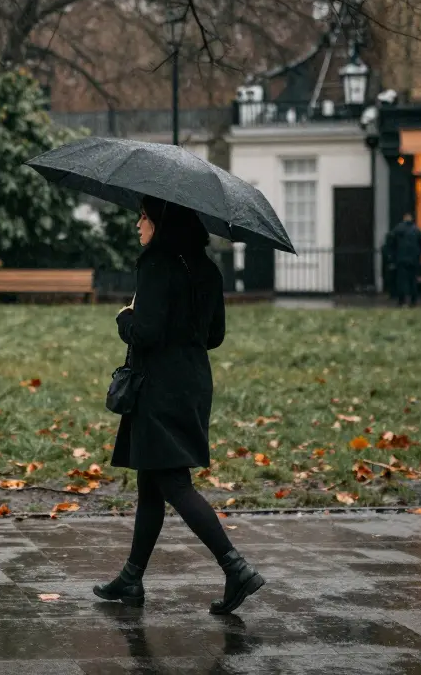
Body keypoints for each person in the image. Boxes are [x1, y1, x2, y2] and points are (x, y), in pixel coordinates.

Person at [92, 196, 265, 616]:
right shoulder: (207, 269)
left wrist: (124, 317)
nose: (138, 224)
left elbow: (145, 332)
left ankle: (235, 566)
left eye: (144, 216)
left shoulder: (155, 264)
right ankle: (132, 578)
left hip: (158, 388)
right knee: (151, 482)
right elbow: (215, 335)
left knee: (173, 481)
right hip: (192, 382)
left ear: (162, 222)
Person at [388, 213, 421, 307]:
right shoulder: (417, 230)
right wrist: (418, 255)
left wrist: (393, 257)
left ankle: (402, 300)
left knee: (401, 281)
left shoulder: (398, 229)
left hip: (401, 259)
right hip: (413, 260)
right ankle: (413, 301)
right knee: (413, 281)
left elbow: (391, 244)